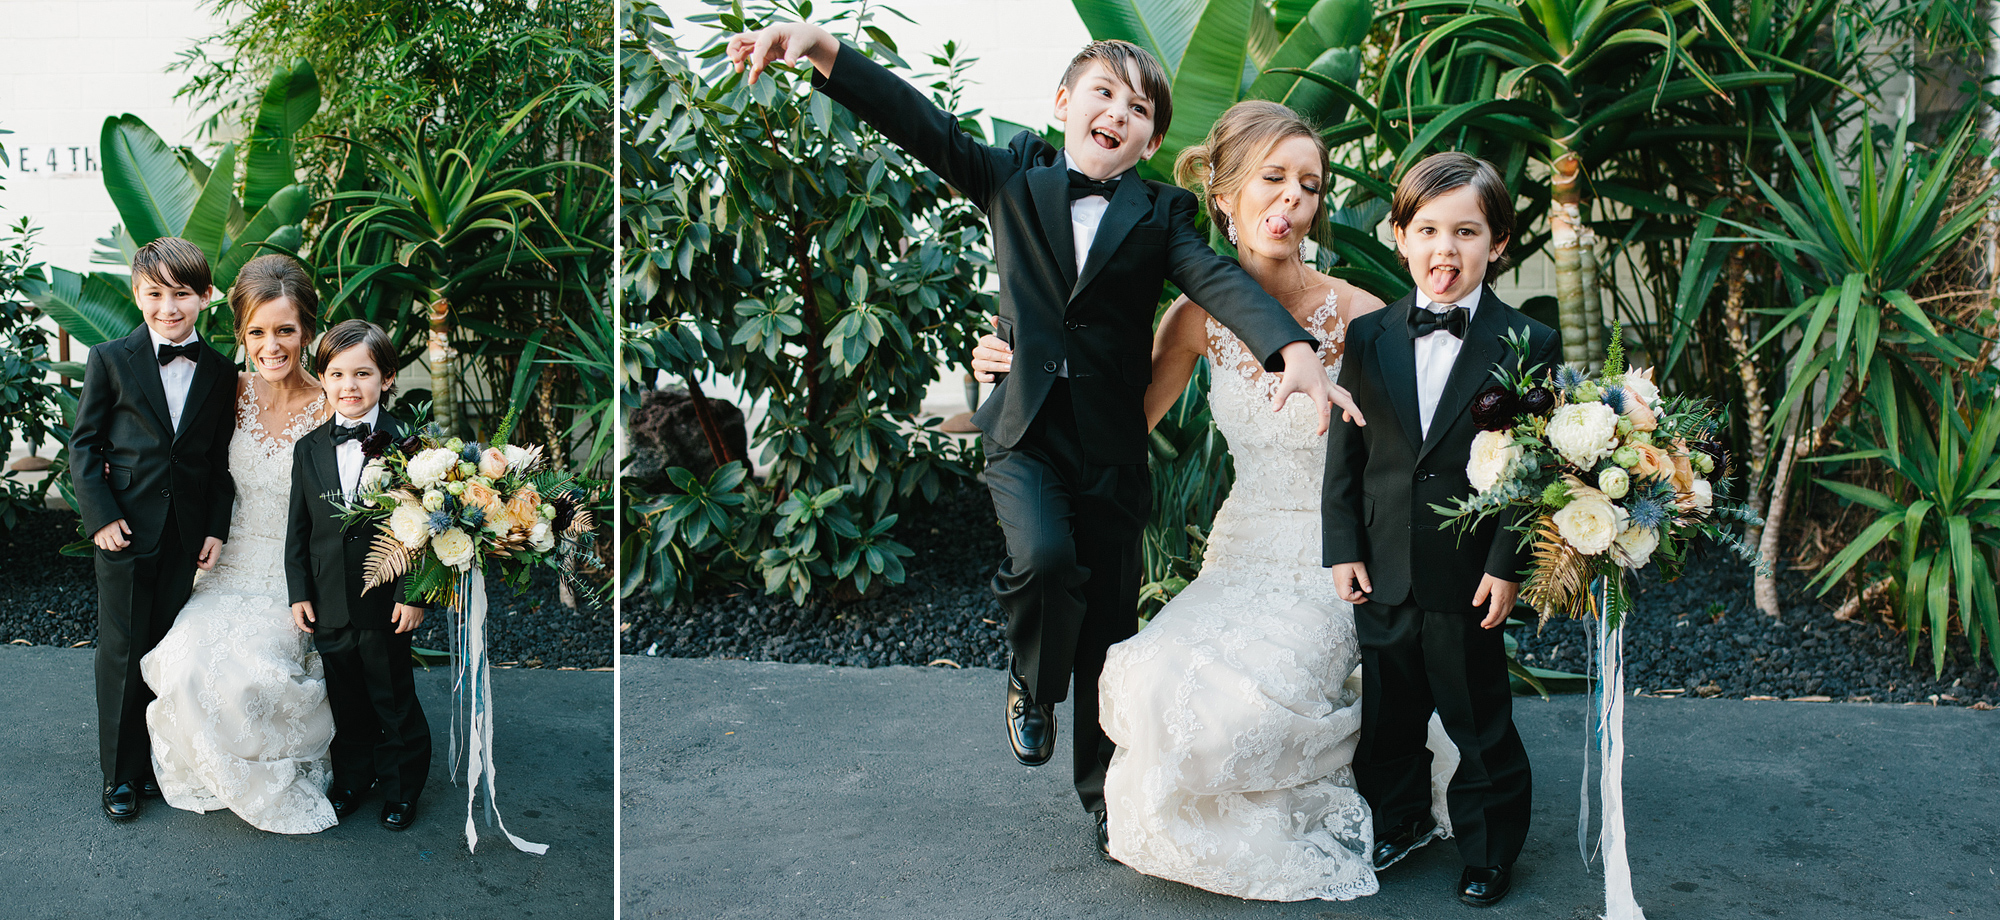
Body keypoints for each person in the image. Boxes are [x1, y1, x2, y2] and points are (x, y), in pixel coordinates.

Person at [728, 24, 1339, 855]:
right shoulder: (1011, 175)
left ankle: (1105, 796)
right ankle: (1029, 682)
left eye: (1138, 109)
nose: (1117, 113)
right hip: (1023, 434)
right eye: (1102, 93)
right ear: (1064, 104)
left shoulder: (1162, 214)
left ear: (1153, 140)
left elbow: (1216, 278)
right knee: (1045, 560)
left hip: (1111, 451)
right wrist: (823, 47)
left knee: (1111, 632)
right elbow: (916, 119)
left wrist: (1292, 348)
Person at [973, 101, 1457, 901]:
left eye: (1309, 184)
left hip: (1329, 563)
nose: (1292, 201)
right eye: (1272, 179)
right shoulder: (1194, 317)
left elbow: (1425, 446)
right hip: (1239, 555)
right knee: (1152, 680)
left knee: (1238, 711)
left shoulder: (1362, 314)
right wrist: (1009, 371)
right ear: (1224, 197)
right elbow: (1114, 427)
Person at [1323, 151, 1561, 908]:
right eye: (1427, 229)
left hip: (1467, 573)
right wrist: (1342, 548)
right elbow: (1347, 453)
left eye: (1466, 231)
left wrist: (1506, 562)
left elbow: (1530, 470)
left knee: (1477, 719)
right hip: (1384, 562)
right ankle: (1396, 822)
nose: (1444, 249)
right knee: (1388, 715)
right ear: (1399, 235)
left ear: (1498, 242)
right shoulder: (1368, 337)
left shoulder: (1529, 343)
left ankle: (1490, 850)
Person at [141, 255, 338, 833]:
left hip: (294, 572)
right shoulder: (229, 392)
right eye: (256, 332)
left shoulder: (335, 401)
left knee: (251, 670)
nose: (270, 345)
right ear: (241, 333)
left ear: (307, 330)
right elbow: (187, 464)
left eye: (285, 330)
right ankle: (206, 768)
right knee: (183, 660)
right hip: (228, 564)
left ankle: (265, 766)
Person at [71, 237, 238, 821]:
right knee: (122, 650)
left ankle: (161, 762)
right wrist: (100, 517)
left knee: (167, 649)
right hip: (124, 529)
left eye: (182, 294)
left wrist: (216, 526)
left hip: (187, 535)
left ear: (206, 297)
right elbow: (85, 445)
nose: (169, 307)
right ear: (136, 294)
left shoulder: (220, 371)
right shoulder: (111, 359)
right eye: (155, 294)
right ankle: (120, 775)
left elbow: (219, 459)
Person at [287, 320, 431, 832]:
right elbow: (298, 529)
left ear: (387, 377)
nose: (349, 386)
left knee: (391, 696)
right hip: (328, 599)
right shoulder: (308, 449)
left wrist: (415, 595)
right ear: (322, 379)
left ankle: (400, 787)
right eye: (337, 373)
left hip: (387, 600)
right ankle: (353, 779)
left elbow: (433, 532)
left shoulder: (414, 449)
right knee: (344, 697)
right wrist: (299, 591)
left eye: (363, 373)